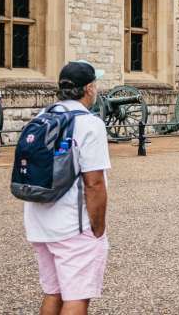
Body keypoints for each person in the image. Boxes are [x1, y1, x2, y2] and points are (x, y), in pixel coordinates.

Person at [24, 61, 110, 315]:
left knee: (54, 292)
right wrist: (98, 228)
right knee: (76, 297)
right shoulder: (89, 124)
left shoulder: (43, 116)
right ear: (89, 88)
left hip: (39, 220)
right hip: (73, 225)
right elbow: (94, 182)